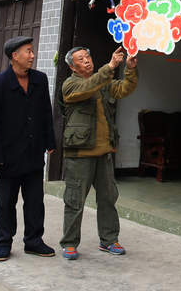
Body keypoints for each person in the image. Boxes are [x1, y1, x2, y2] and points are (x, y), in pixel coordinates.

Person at [58, 45, 138, 260]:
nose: (87, 61)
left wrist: (129, 69)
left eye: (88, 56)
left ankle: (109, 240)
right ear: (72, 66)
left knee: (108, 198)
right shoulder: (70, 85)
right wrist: (111, 65)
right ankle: (69, 243)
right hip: (80, 154)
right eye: (81, 59)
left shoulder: (101, 81)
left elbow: (123, 89)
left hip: (104, 153)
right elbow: (88, 87)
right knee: (75, 200)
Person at [0, 36, 57, 262]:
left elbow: (46, 113)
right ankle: (3, 242)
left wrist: (50, 142)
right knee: (6, 203)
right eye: (28, 51)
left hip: (33, 153)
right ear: (15, 56)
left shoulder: (40, 80)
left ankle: (34, 241)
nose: (32, 55)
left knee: (35, 202)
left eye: (32, 51)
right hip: (8, 156)